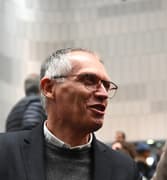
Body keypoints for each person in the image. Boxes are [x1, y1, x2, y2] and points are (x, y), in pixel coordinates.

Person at [0, 48, 141, 180]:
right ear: (49, 88)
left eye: (106, 86)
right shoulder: (5, 152)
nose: (103, 94)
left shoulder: (125, 169)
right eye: (89, 81)